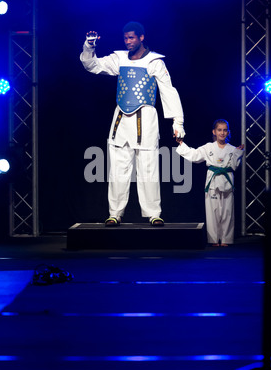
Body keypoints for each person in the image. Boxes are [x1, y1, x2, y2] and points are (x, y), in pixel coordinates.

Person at [80, 21, 185, 226]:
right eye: (125, 38)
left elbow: (168, 91)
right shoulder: (118, 58)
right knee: (118, 170)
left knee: (148, 168)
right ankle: (115, 213)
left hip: (145, 120)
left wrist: (177, 122)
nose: (128, 41)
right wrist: (89, 46)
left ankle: (153, 213)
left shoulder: (155, 62)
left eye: (132, 38)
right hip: (121, 121)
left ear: (141, 37)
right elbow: (92, 65)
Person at [175, 119, 244, 246]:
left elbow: (234, 166)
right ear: (214, 132)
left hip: (227, 179)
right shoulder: (208, 147)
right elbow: (194, 155)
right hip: (212, 180)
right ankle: (213, 239)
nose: (222, 133)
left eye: (224, 130)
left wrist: (238, 154)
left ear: (228, 132)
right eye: (219, 130)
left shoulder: (233, 149)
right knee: (213, 212)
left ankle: (226, 239)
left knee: (227, 212)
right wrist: (181, 145)